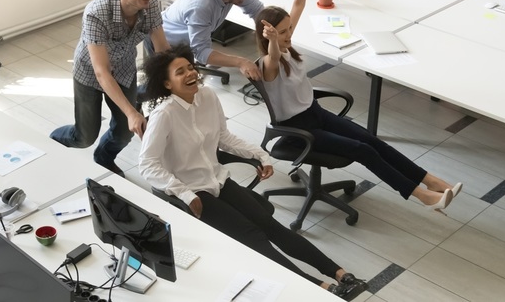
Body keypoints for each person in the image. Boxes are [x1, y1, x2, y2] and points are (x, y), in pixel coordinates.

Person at [138, 45, 367, 300]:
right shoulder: (164, 115)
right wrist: (184, 193)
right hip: (194, 191)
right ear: (167, 84)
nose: (190, 73)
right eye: (180, 72)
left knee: (272, 226)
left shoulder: (208, 96)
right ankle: (320, 288)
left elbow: (224, 137)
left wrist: (260, 155)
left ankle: (340, 274)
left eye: (190, 67)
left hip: (218, 179)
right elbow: (147, 164)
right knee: (254, 237)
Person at [254, 0, 462, 211]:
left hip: (315, 113)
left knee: (371, 140)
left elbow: (298, 4)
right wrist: (273, 40)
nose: (289, 34)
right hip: (299, 130)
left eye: (289, 29)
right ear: (269, 36)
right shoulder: (269, 63)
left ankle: (431, 181)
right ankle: (423, 196)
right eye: (283, 32)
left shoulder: (287, 45)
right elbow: (273, 55)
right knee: (362, 150)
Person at [50, 0, 171, 176]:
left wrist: (176, 79)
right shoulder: (96, 12)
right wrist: (132, 112)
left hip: (124, 68)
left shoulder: (151, 4)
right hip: (90, 73)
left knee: (125, 133)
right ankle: (53, 140)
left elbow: (162, 48)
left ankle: (103, 157)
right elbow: (102, 72)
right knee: (85, 137)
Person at [159, 0, 264, 80]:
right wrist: (241, 62)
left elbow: (258, 11)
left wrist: (270, 41)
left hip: (188, 42)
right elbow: (201, 52)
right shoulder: (201, 5)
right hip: (166, 42)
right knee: (168, 86)